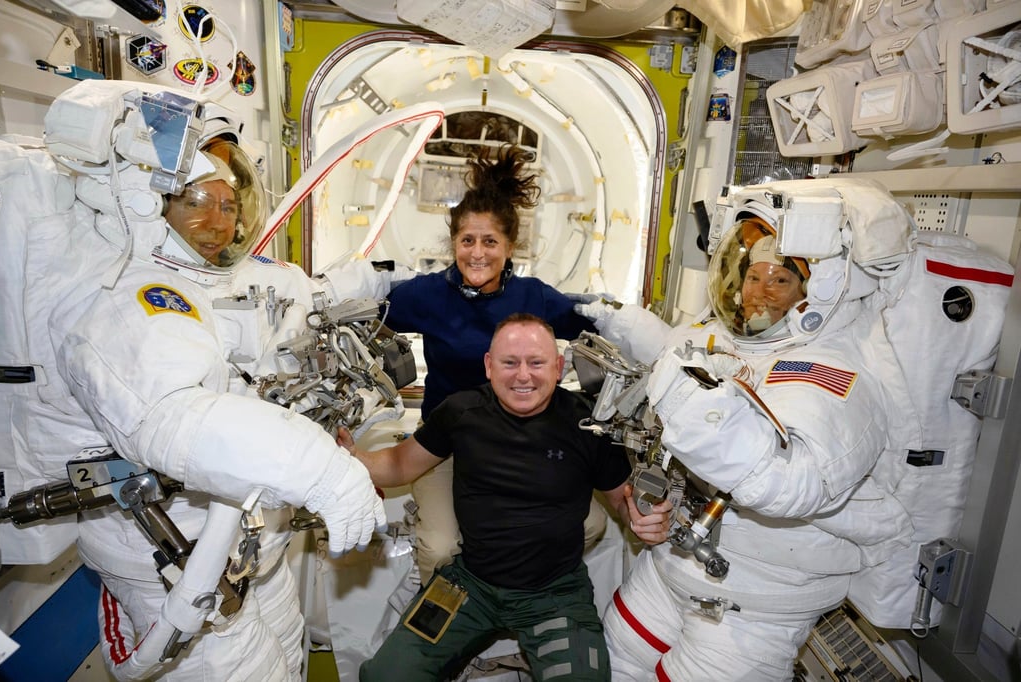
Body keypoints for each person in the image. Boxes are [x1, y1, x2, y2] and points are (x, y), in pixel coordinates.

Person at [0, 80, 418, 680]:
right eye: (196, 200)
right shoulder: (126, 297)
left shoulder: (224, 277)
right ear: (149, 201)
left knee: (288, 662)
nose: (217, 222)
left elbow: (313, 291)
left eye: (229, 204)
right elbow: (175, 417)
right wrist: (322, 472)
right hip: (178, 566)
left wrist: (393, 281)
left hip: (248, 555)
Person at [573, 178, 917, 680]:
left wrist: (694, 412)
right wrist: (620, 321)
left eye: (780, 280)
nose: (760, 292)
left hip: (753, 598)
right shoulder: (720, 335)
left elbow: (794, 484)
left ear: (812, 291)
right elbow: (675, 354)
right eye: (754, 277)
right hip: (675, 563)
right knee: (613, 664)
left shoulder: (832, 373)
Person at [347, 313, 671, 681]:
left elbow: (620, 498)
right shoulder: (461, 411)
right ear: (489, 365)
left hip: (554, 595)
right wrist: (347, 456)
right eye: (509, 363)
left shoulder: (588, 425)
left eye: (536, 363)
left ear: (558, 366)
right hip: (470, 587)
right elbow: (399, 465)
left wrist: (642, 519)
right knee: (384, 677)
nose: (523, 375)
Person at [379, 144, 603, 585]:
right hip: (446, 444)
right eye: (467, 240)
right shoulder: (425, 295)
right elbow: (367, 310)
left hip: (522, 442)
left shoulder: (534, 298)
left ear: (509, 247)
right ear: (453, 243)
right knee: (441, 548)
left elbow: (594, 324)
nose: (477, 253)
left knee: (590, 524)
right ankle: (447, 633)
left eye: (489, 241)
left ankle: (520, 605)